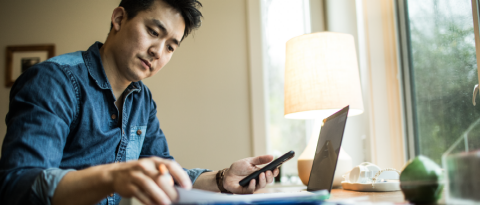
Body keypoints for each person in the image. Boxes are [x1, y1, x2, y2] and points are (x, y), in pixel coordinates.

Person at [0, 0, 279, 204]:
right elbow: (18, 186)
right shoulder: (54, 81)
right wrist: (111, 177)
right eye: (153, 32)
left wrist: (223, 178)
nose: (158, 52)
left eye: (171, 46)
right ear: (119, 19)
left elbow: (165, 172)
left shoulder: (142, 99)